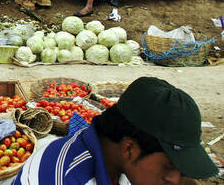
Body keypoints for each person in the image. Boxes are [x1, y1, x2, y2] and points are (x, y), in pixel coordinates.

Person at [12, 76, 217, 184]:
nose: (174, 178)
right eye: (169, 166)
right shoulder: (68, 179)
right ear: (129, 149)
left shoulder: (108, 150)